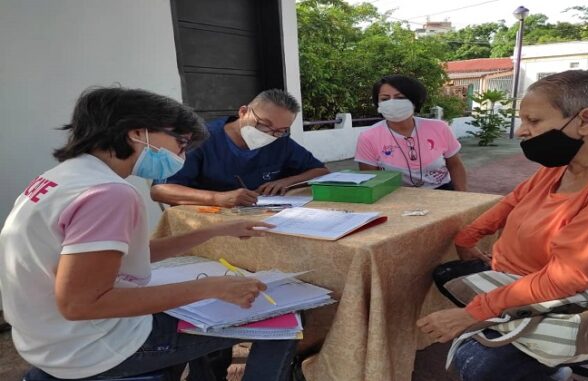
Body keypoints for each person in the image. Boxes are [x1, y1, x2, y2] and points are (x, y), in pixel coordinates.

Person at [0, 87, 297, 381]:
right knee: (285, 320)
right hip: (95, 348)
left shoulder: (63, 177)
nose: (183, 153)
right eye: (180, 142)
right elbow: (81, 304)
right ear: (137, 133)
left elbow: (124, 257)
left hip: (46, 339)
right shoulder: (109, 193)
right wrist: (211, 288)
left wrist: (216, 230)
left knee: (209, 305)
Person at [417, 70, 588, 381]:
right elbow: (515, 200)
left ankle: (543, 356)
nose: (522, 131)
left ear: (586, 121)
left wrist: (474, 314)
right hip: (555, 283)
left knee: (482, 362)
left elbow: (568, 278)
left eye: (533, 121)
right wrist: (469, 237)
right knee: (449, 274)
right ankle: (538, 348)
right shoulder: (574, 160)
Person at [151, 89, 329, 207]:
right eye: (264, 125)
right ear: (243, 112)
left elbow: (320, 171)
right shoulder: (199, 139)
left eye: (280, 130)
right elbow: (160, 190)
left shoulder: (280, 142)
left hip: (264, 218)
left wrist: (285, 182)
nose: (269, 134)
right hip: (210, 222)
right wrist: (216, 198)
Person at [354, 75, 467, 190]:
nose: (392, 103)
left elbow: (455, 165)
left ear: (414, 101)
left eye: (400, 97)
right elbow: (371, 180)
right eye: (385, 99)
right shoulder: (368, 137)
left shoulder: (439, 128)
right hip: (396, 197)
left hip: (443, 192)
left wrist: (462, 196)